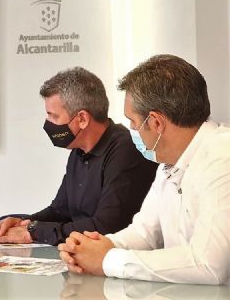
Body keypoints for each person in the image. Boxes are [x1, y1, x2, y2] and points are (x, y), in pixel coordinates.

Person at [59, 55, 230, 285]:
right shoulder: (168, 163)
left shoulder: (222, 156)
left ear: (156, 122)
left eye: (133, 122)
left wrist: (107, 260)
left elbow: (208, 264)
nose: (131, 129)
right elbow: (144, 233)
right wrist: (98, 246)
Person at [0, 67, 157, 246]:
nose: (48, 123)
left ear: (82, 119)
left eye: (53, 116)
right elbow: (60, 211)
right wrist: (23, 222)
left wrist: (33, 232)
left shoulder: (126, 150)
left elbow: (106, 225)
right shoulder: (78, 151)